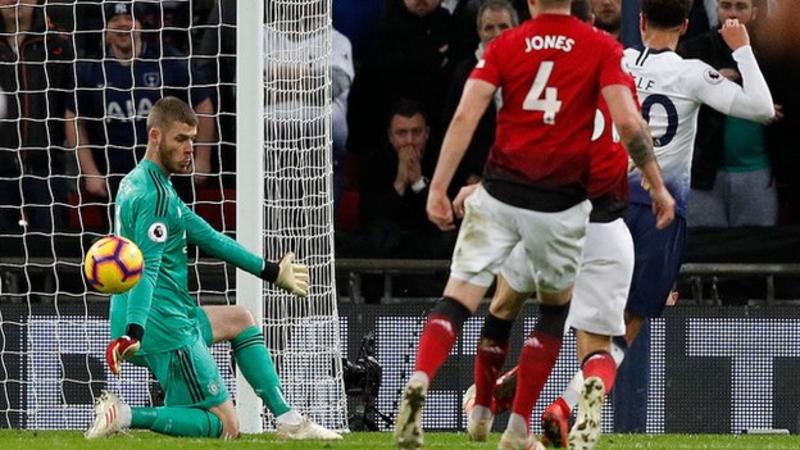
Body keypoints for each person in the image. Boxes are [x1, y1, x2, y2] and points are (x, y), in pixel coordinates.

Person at [392, 0, 674, 448]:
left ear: (529, 3)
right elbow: (630, 125)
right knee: (576, 329)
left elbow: (466, 116)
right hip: (580, 213)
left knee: (479, 302)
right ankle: (530, 420)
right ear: (585, 17)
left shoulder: (506, 45)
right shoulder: (601, 53)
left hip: (504, 197)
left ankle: (447, 391)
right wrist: (657, 185)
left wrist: (439, 186)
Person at [514, 0, 773, 443]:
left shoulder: (618, 60)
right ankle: (569, 411)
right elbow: (762, 107)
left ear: (639, 20)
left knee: (588, 318)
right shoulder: (692, 74)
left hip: (605, 204)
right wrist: (742, 48)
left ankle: (536, 391)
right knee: (626, 326)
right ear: (686, 25)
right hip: (660, 213)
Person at [84, 97, 340, 441]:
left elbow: (209, 237)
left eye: (192, 139)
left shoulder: (139, 181)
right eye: (180, 139)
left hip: (159, 314)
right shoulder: (156, 197)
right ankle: (124, 414)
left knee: (240, 319)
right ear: (155, 136)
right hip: (163, 325)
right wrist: (134, 333)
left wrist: (270, 271)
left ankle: (289, 420)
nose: (189, 148)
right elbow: (149, 269)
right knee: (227, 427)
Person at [459, 2, 636, 448]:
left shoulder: (550, 71)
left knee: (505, 304)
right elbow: (633, 139)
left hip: (549, 216)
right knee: (597, 347)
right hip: (608, 227)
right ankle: (580, 397)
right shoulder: (621, 76)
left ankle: (484, 405)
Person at [67, 2, 215, 206]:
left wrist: (202, 159)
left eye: (129, 18)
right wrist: (90, 171)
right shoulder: (91, 72)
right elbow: (73, 118)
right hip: (116, 180)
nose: (122, 24)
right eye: (115, 20)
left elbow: (203, 104)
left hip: (169, 177)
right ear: (106, 29)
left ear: (140, 25)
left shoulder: (168, 62)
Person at [681, 0, 779, 227]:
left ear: (754, 12)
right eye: (726, 6)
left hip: (758, 171)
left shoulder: (773, 50)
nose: (733, 13)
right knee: (705, 244)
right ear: (716, 10)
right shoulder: (695, 51)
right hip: (704, 171)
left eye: (740, 7)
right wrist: (709, 81)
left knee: (758, 244)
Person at [0, 0, 74, 233]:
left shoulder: (58, 42)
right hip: (1, 171)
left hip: (47, 170)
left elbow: (71, 110)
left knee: (52, 246)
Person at [355, 99, 457, 258]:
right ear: (391, 136)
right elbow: (370, 216)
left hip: (428, 242)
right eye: (402, 133)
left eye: (416, 132)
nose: (410, 140)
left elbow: (447, 218)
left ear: (427, 133)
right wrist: (400, 183)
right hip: (387, 244)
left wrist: (418, 183)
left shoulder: (443, 160)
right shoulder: (375, 162)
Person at [442, 0, 519, 187]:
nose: (497, 34)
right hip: (477, 177)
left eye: (503, 26)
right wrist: (466, 174)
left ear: (516, 29)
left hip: (522, 174)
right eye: (489, 28)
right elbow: (450, 125)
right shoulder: (464, 73)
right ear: (479, 32)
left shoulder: (530, 68)